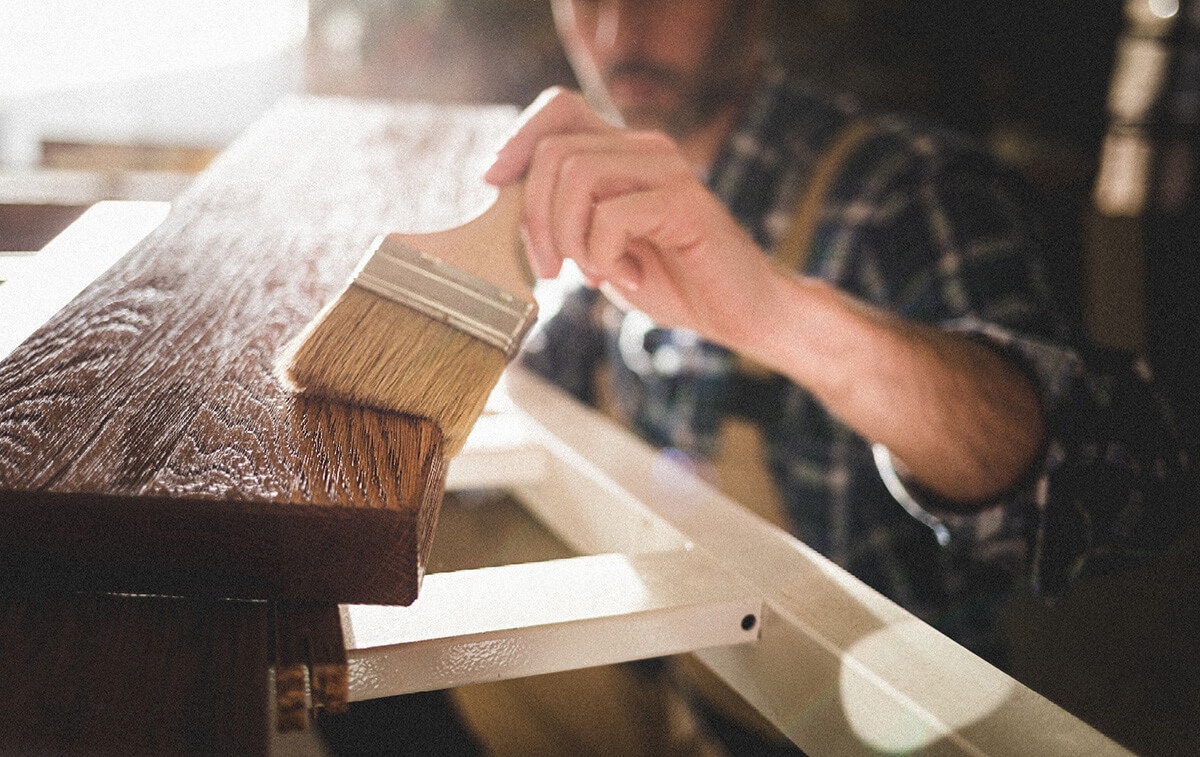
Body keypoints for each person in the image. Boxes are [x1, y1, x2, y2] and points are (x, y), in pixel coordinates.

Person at [444, 1, 1194, 753]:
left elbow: (1133, 482)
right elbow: (534, 393)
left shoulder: (904, 191)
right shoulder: (598, 203)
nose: (617, 34)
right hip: (689, 706)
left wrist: (783, 315)